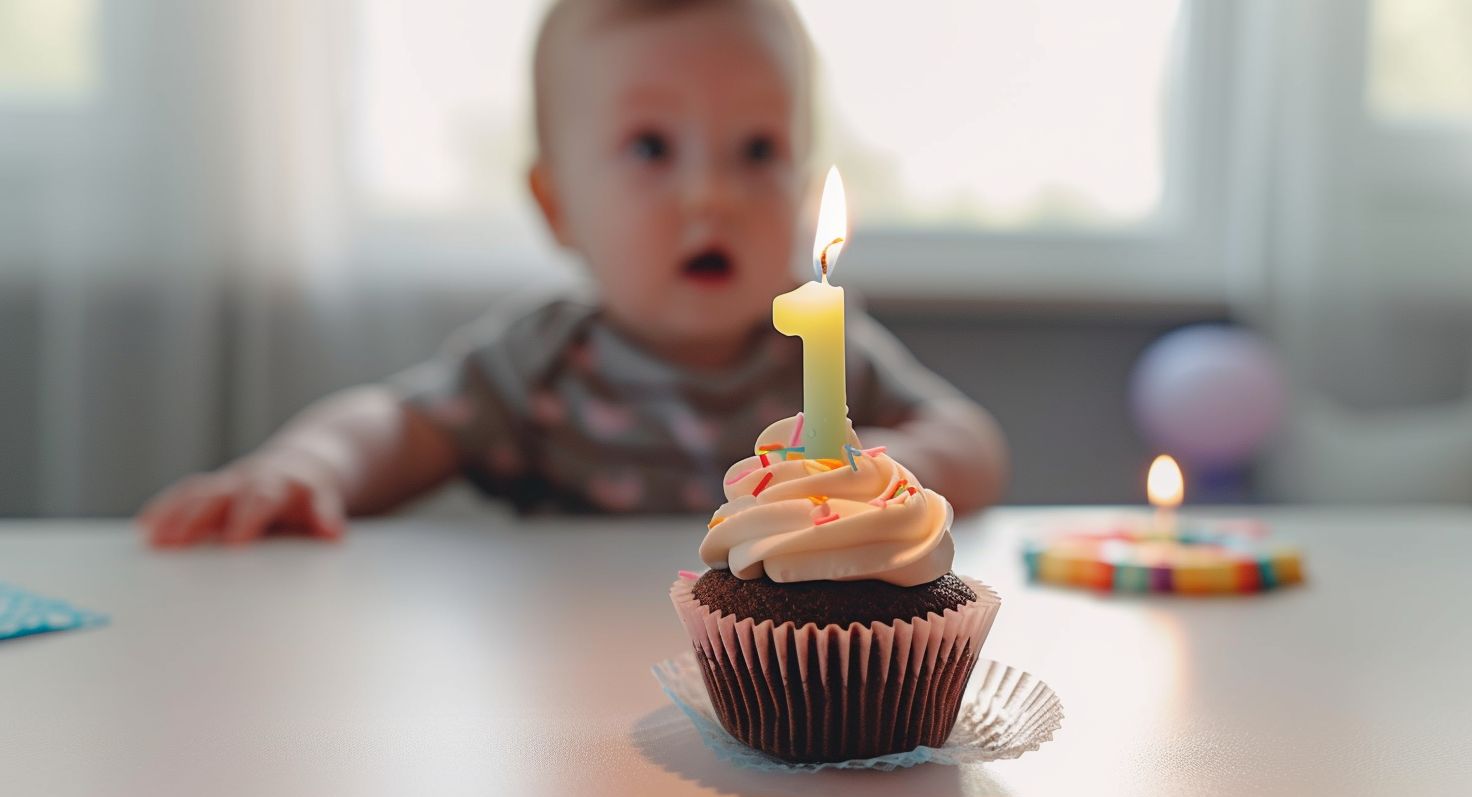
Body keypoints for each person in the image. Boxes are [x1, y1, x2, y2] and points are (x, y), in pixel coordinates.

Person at [137, 0, 1009, 547]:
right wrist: (309, 466)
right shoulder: (543, 360)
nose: (711, 198)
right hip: (571, 681)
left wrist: (898, 465)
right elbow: (397, 426)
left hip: (774, 676)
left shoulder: (821, 359)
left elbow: (974, 442)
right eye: (649, 149)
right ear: (556, 207)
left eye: (758, 151)